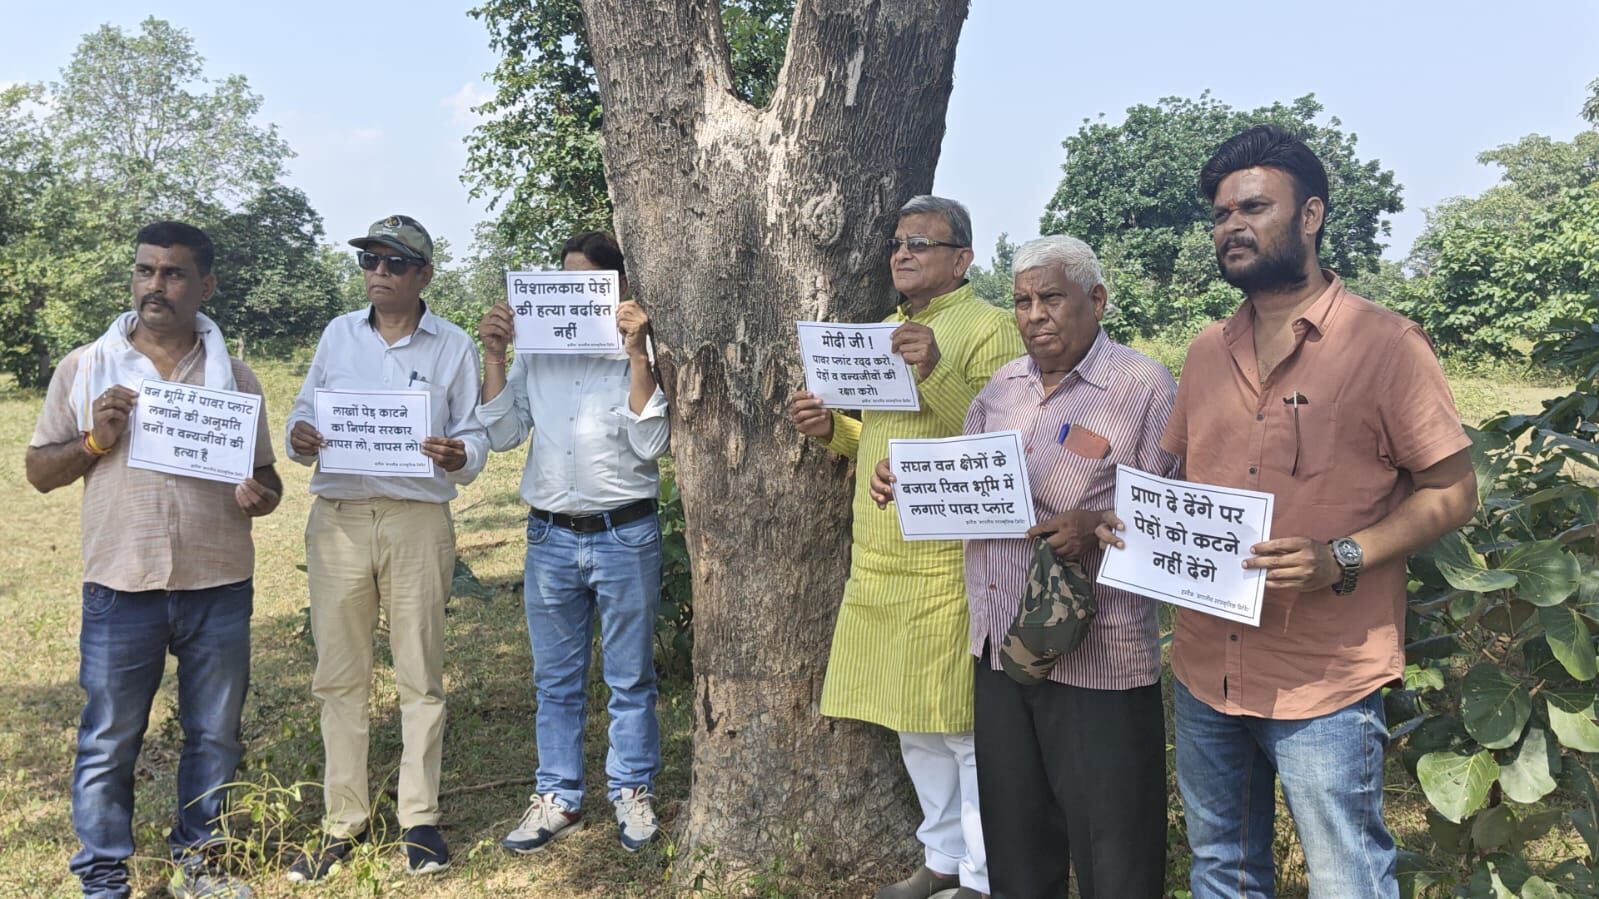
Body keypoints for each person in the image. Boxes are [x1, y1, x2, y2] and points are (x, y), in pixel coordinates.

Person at [1100, 125, 1478, 897]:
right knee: (1222, 869)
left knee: (1345, 876)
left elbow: (1452, 491)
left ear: (1309, 216)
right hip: (1208, 666)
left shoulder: (1386, 345)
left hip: (1324, 679)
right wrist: (1122, 517)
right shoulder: (1207, 351)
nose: (1230, 226)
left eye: (1252, 207)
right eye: (1218, 214)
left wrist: (1339, 555)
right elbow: (1170, 474)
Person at [873, 235, 1174, 898]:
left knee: (1114, 847)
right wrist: (907, 475)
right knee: (1016, 839)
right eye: (1021, 300)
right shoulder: (1002, 387)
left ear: (1094, 301)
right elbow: (969, 476)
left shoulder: (1142, 386)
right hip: (1002, 648)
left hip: (1098, 658)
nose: (1034, 313)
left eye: (1050, 298)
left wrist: (1096, 527)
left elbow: (1173, 517)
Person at [26, 221, 282, 899]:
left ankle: (198, 861)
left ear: (206, 284)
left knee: (215, 734)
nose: (155, 286)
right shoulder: (86, 368)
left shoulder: (238, 376)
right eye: (145, 271)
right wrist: (92, 440)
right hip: (121, 583)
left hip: (218, 583)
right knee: (108, 738)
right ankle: (104, 876)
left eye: (172, 273)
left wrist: (261, 497)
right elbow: (38, 471)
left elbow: (267, 477)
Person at [788, 196, 1023, 899]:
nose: (903, 253)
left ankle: (984, 876)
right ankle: (942, 860)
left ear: (962, 259)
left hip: (955, 560)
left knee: (960, 726)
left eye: (922, 242)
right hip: (883, 556)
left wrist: (937, 373)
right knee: (912, 725)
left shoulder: (989, 329)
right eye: (897, 241)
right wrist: (832, 430)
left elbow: (1003, 445)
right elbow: (889, 446)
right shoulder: (887, 330)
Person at [283, 214, 487, 881]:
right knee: (338, 674)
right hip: (338, 516)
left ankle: (419, 818)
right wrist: (301, 435)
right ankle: (343, 819)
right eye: (369, 260)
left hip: (416, 519)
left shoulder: (452, 346)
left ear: (424, 274)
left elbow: (476, 435)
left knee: (419, 672)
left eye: (394, 263)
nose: (377, 272)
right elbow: (300, 413)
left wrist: (461, 452)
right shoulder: (338, 334)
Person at [475, 232, 670, 853]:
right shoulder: (537, 352)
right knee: (555, 680)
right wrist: (496, 354)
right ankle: (556, 796)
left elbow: (651, 444)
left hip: (625, 532)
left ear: (615, 291)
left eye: (585, 287)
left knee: (629, 676)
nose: (569, 299)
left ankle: (631, 791)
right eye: (561, 285)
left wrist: (637, 352)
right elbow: (504, 434)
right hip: (551, 536)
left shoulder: (638, 348)